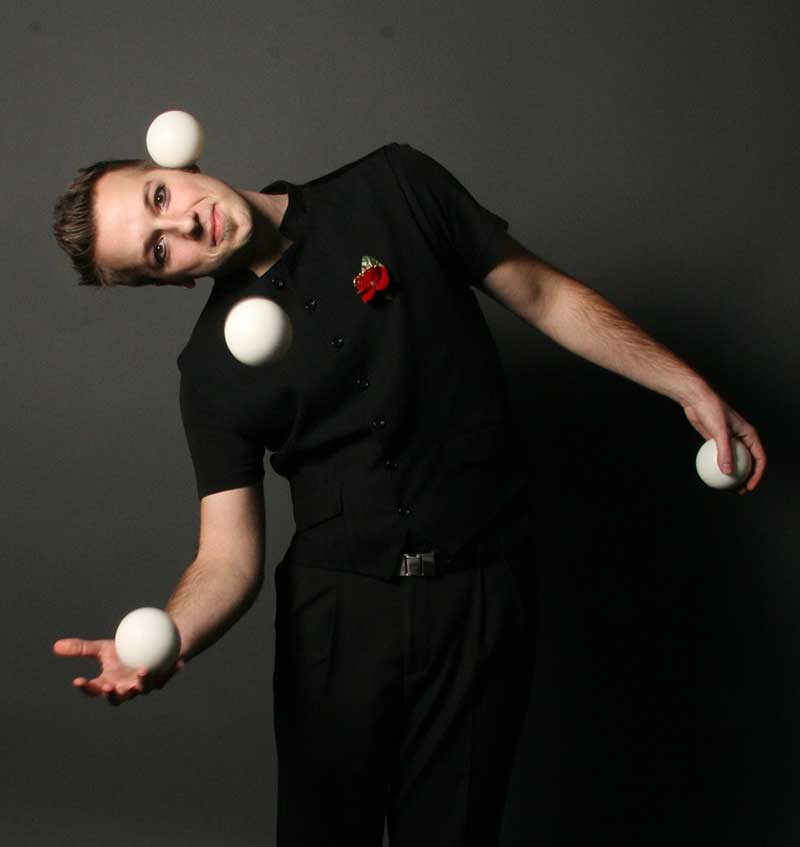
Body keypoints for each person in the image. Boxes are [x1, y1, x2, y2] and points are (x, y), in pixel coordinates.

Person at [50, 141, 766, 846]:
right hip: (336, 627)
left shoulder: (394, 186)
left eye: (159, 197)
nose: (181, 225)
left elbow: (544, 295)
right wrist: (168, 637)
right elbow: (227, 558)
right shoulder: (209, 372)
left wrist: (686, 385)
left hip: (482, 598)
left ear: (177, 162)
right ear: (171, 282)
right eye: (158, 252)